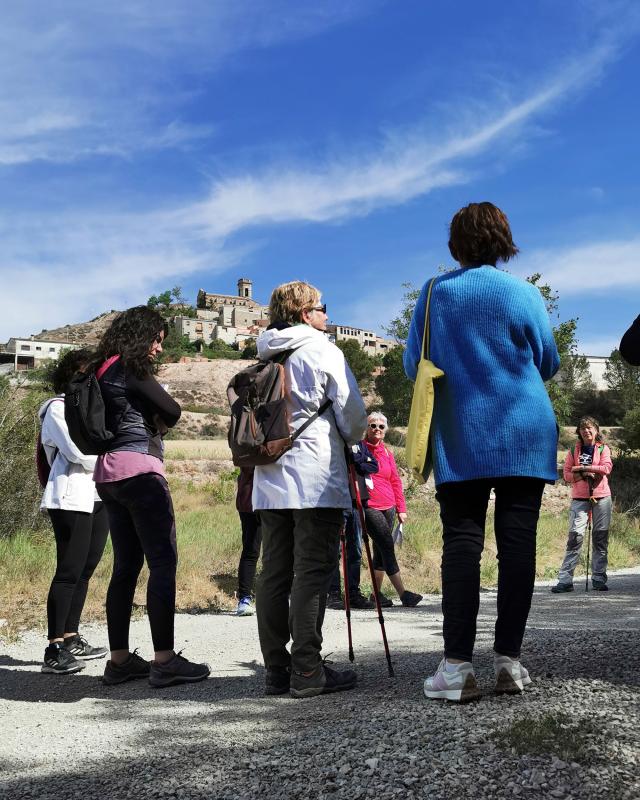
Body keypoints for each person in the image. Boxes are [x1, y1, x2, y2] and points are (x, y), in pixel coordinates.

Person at [404, 202, 560, 702]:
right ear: (503, 240)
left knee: (462, 543)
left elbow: (413, 365)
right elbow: (549, 361)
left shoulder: (433, 293)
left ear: (456, 242)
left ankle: (456, 669)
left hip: (462, 433)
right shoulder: (526, 293)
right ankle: (509, 664)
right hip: (524, 430)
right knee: (519, 544)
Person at [253, 281, 368, 698]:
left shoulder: (267, 354)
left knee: (274, 572)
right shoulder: (322, 350)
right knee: (313, 571)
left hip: (269, 480)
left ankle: (276, 669)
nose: (326, 316)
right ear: (305, 313)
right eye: (322, 308)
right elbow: (353, 419)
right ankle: (307, 669)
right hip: (315, 478)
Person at [94, 306, 210, 688]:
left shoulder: (101, 368)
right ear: (141, 336)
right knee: (163, 562)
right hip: (140, 471)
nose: (158, 348)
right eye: (157, 340)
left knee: (125, 566)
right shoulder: (131, 367)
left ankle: (120, 660)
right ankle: (164, 660)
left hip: (107, 474)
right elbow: (172, 410)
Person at [40, 349, 110, 674]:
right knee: (68, 570)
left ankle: (71, 637)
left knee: (85, 569)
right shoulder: (57, 409)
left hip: (95, 495)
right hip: (69, 497)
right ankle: (53, 649)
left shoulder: (92, 409)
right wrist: (112, 458)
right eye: (85, 372)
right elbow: (78, 451)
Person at [362, 412, 422, 608]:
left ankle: (376, 595)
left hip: (389, 506)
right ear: (367, 428)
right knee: (387, 545)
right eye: (373, 426)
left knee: (380, 550)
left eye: (381, 426)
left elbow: (395, 480)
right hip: (369, 506)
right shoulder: (359, 449)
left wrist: (401, 508)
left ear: (385, 431)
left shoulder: (387, 452)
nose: (376, 429)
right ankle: (403, 593)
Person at [552, 417, 613, 593]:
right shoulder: (573, 450)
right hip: (580, 498)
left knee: (600, 539)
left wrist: (582, 469)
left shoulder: (603, 448)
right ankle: (565, 580)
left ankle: (599, 578)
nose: (586, 431)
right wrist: (584, 472)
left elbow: (606, 468)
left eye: (589, 428)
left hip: (601, 497)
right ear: (579, 432)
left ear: (596, 430)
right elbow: (567, 476)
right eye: (583, 428)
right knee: (575, 538)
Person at [326, 442, 377, 611]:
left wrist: (356, 458)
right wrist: (359, 459)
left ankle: (353, 593)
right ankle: (333, 593)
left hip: (358, 501)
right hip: (338, 501)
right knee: (335, 549)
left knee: (355, 549)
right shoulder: (335, 440)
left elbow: (372, 465)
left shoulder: (360, 444)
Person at [234, 467, 262, 616]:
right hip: (259, 498)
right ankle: (245, 599)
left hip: (248, 497)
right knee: (252, 551)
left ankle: (245, 599)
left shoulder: (242, 443)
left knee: (251, 551)